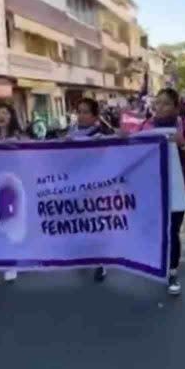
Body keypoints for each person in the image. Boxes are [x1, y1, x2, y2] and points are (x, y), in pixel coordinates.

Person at [130, 88, 185, 295]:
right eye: (157, 103)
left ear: (176, 107)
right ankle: (156, 262)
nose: (159, 107)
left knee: (172, 230)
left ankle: (172, 272)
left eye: (165, 103)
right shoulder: (145, 127)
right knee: (154, 229)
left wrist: (183, 144)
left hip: (178, 189)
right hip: (152, 189)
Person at [66, 98, 113, 282]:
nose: (81, 115)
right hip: (76, 185)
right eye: (79, 111)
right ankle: (84, 256)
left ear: (95, 116)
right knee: (80, 222)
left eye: (86, 112)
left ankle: (102, 263)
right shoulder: (71, 133)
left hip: (97, 186)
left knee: (98, 224)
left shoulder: (102, 133)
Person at [0, 103, 23, 282]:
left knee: (8, 222)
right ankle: (6, 257)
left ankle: (11, 263)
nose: (1, 116)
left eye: (5, 113)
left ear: (11, 117)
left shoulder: (18, 136)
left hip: (12, 184)